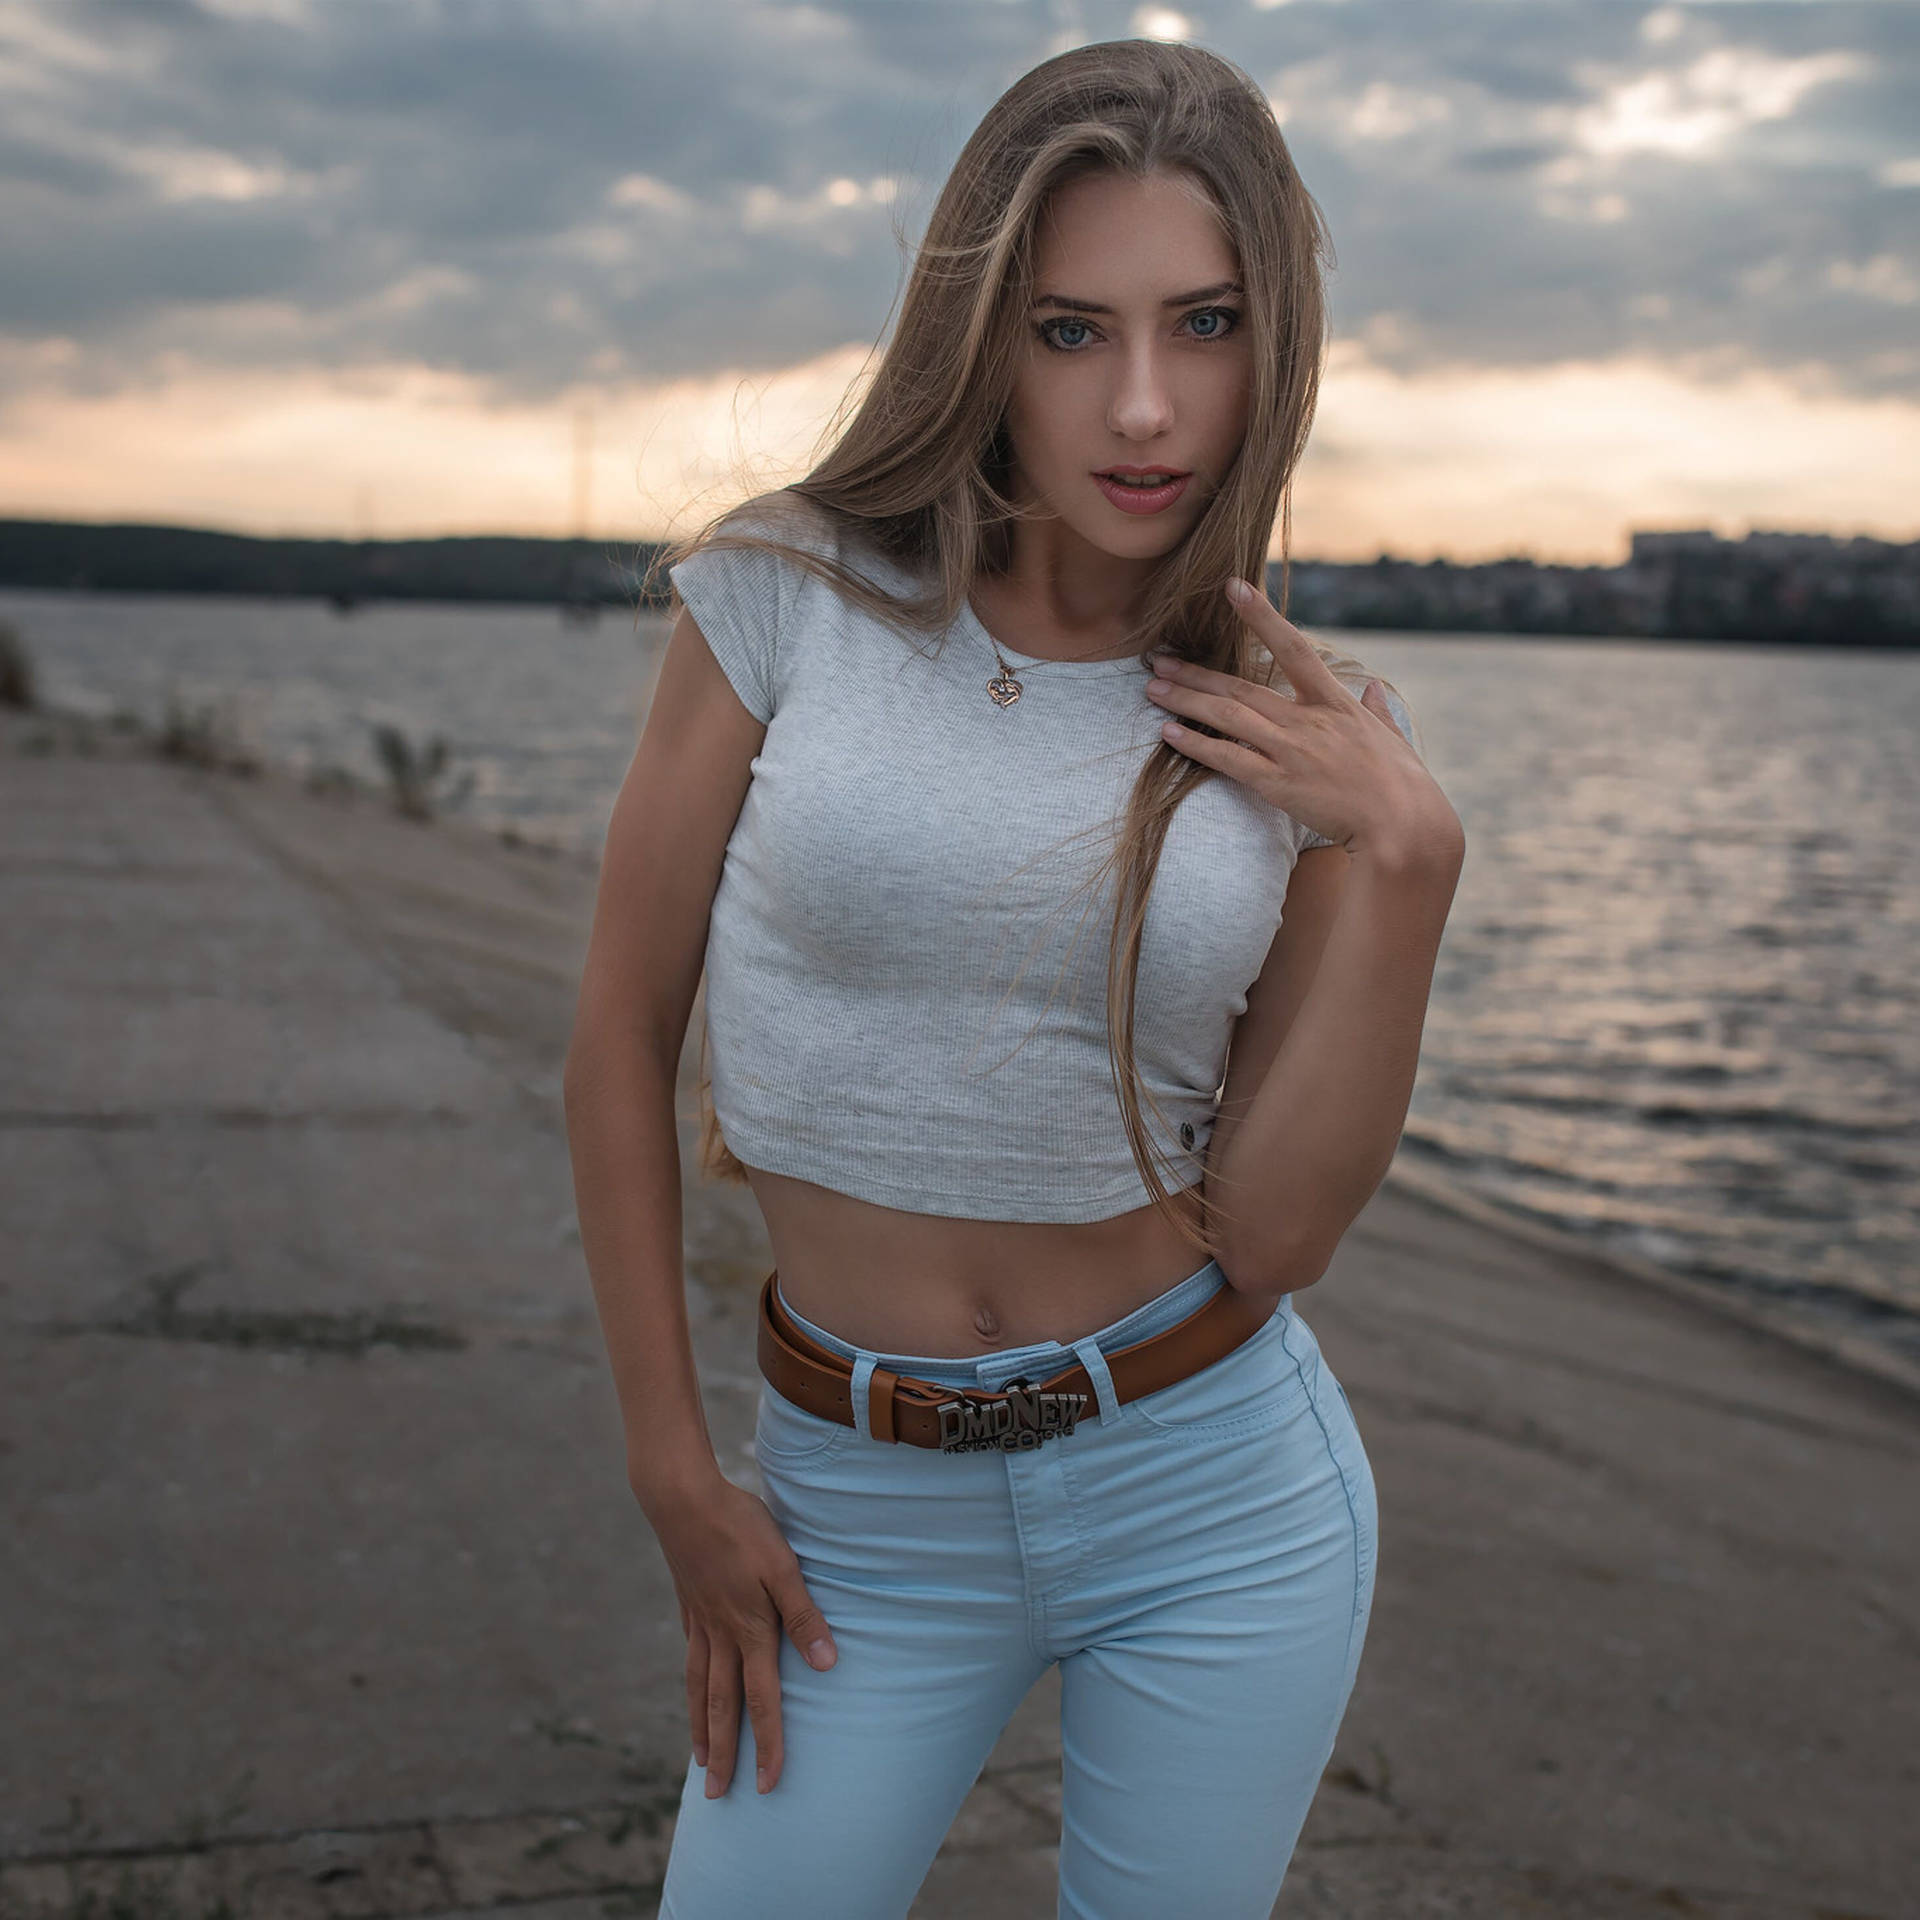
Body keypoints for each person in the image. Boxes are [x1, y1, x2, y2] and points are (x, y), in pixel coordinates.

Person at [563, 37, 1464, 1920]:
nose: (1145, 405)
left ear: (1271, 341)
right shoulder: (785, 594)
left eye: (1202, 323)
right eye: (1073, 332)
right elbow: (619, 1036)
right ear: (983, 335)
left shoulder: (1298, 735)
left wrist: (1408, 864)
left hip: (1215, 1491)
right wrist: (672, 1468)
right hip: (853, 1515)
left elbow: (1278, 1234)